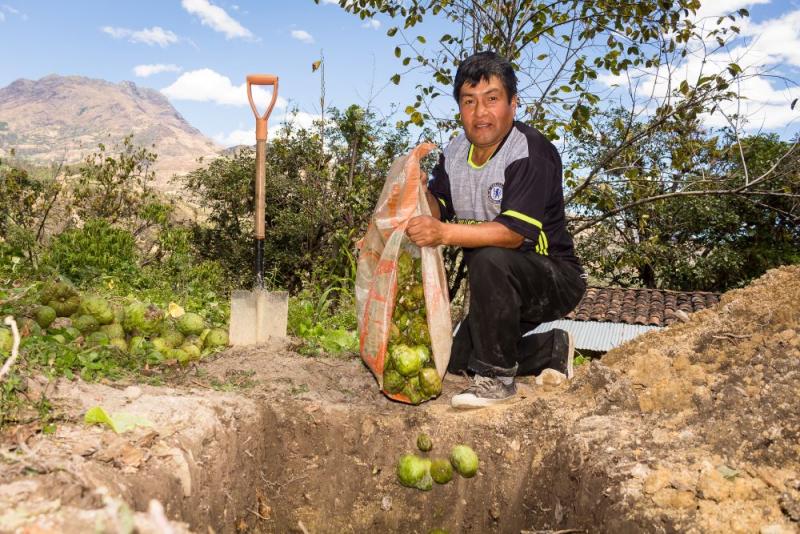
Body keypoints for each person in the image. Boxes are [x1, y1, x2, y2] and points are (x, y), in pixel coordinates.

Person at [405, 51, 586, 409]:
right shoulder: (455, 151)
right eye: (468, 102)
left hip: (552, 278)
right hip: (499, 286)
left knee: (489, 256)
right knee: (457, 360)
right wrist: (419, 189)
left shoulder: (530, 151)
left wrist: (442, 233)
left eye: (492, 99)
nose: (480, 113)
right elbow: (437, 208)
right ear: (459, 108)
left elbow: (513, 234)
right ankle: (551, 349)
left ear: (513, 104)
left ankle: (498, 380)